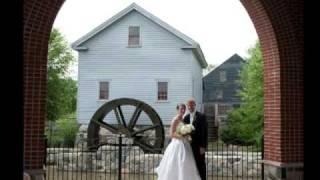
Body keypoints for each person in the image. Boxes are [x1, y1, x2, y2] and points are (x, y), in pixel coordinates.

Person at [155, 103, 201, 180]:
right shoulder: (175, 119)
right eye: (181, 109)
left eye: (184, 109)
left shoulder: (182, 119)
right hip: (177, 144)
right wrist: (183, 137)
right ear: (177, 110)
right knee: (176, 163)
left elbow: (182, 131)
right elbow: (172, 134)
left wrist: (187, 135)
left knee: (185, 164)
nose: (183, 110)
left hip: (184, 144)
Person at [183, 98, 208, 180]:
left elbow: (205, 132)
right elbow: (185, 132)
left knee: (201, 164)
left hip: (199, 146)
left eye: (192, 105)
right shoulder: (186, 118)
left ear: (194, 105)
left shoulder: (201, 116)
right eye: (189, 106)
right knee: (191, 164)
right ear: (187, 106)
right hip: (189, 146)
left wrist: (203, 146)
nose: (190, 107)